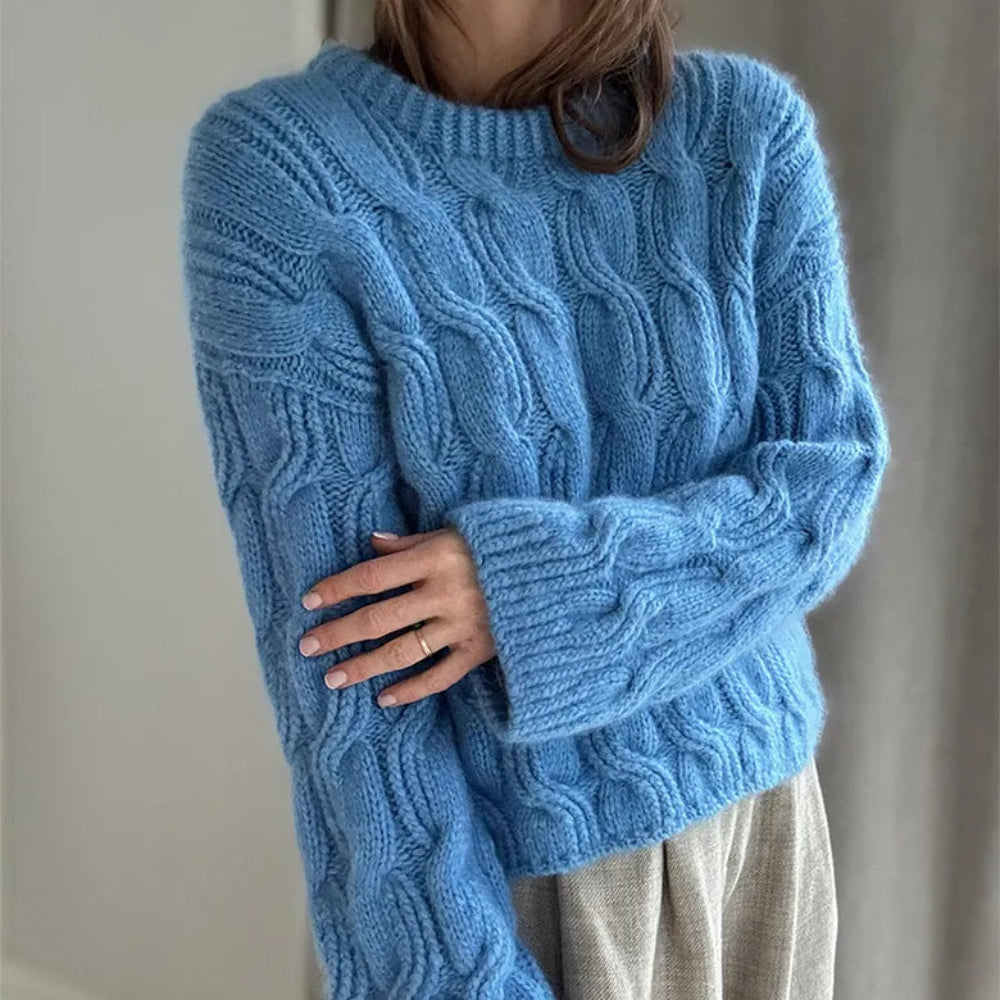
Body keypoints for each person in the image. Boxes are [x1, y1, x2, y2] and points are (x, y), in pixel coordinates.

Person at [179, 1, 890, 998]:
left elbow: (830, 476)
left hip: (762, 830)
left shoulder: (744, 129)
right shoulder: (283, 171)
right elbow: (347, 688)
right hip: (522, 882)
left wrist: (537, 595)